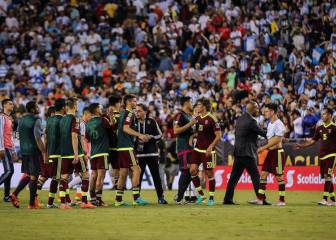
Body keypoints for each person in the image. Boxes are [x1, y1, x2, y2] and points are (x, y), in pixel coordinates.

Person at [223, 101, 267, 205]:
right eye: (256, 108)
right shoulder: (251, 121)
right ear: (252, 109)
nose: (258, 110)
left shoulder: (240, 119)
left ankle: (227, 199)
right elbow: (262, 133)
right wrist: (274, 133)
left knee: (233, 178)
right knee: (256, 176)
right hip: (248, 153)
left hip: (238, 153)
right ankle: (261, 199)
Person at [59, 98, 96, 209]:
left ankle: (63, 203)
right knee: (85, 175)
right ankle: (84, 202)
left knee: (64, 177)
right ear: (75, 106)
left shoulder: (62, 120)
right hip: (76, 154)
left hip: (64, 153)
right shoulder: (76, 119)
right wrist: (76, 153)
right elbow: (75, 136)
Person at [295, 108, 336, 206]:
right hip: (322, 156)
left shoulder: (334, 128)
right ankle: (333, 200)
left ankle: (324, 199)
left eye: (325, 114)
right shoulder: (319, 128)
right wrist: (302, 146)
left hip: (332, 155)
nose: (322, 116)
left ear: (330, 115)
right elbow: (314, 140)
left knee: (328, 176)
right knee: (326, 177)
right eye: (322, 114)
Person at [115, 94, 150, 207]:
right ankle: (136, 198)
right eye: (135, 101)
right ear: (129, 102)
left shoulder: (123, 114)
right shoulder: (129, 113)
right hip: (126, 146)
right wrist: (139, 135)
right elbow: (125, 128)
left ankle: (118, 199)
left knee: (123, 173)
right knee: (137, 170)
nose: (136, 103)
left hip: (120, 147)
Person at [249, 103, 286, 206]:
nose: (264, 113)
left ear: (272, 112)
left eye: (266, 111)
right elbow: (270, 139)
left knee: (279, 177)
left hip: (277, 153)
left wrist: (262, 148)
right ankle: (260, 199)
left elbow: (277, 140)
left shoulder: (279, 124)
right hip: (270, 152)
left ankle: (282, 200)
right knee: (263, 174)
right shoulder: (270, 124)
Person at [12, 101, 46, 209]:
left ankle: (14, 194)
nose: (39, 108)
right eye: (37, 106)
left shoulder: (21, 120)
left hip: (24, 150)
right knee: (34, 176)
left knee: (28, 174)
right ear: (33, 109)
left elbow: (17, 135)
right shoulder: (36, 120)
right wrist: (44, 151)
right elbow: (37, 137)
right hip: (33, 151)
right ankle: (32, 204)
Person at [189, 98, 221, 206]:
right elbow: (198, 132)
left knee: (209, 173)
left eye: (199, 105)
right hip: (197, 149)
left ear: (204, 106)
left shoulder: (212, 118)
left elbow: (218, 135)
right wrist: (192, 136)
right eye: (197, 105)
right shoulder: (197, 118)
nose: (197, 107)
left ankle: (211, 198)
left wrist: (211, 146)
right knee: (192, 170)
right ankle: (202, 196)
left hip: (208, 151)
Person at [134, 103, 167, 204]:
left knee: (156, 176)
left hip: (152, 153)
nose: (137, 113)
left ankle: (160, 198)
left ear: (145, 111)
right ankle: (137, 198)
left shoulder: (152, 121)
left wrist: (150, 137)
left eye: (139, 110)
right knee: (138, 177)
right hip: (139, 154)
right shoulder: (133, 122)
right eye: (136, 111)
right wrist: (138, 137)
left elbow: (160, 135)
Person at [86, 103, 112, 207]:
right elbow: (111, 130)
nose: (101, 109)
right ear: (97, 110)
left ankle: (92, 198)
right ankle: (99, 200)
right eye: (100, 108)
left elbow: (87, 138)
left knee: (93, 175)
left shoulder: (88, 123)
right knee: (101, 177)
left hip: (93, 153)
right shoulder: (103, 120)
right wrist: (110, 117)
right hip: (103, 152)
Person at [173, 96, 196, 204]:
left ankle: (179, 195)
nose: (193, 104)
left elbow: (191, 132)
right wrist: (190, 124)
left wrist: (192, 136)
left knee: (191, 171)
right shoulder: (179, 115)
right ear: (186, 103)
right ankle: (179, 198)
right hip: (183, 148)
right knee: (186, 171)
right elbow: (176, 131)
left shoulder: (189, 116)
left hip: (190, 147)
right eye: (191, 102)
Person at [44, 99, 66, 208]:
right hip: (60, 152)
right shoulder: (63, 120)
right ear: (63, 108)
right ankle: (62, 202)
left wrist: (46, 154)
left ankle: (51, 203)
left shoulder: (49, 120)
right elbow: (66, 137)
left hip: (52, 152)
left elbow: (46, 138)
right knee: (61, 177)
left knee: (56, 177)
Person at [35, 106, 56, 207]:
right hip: (48, 153)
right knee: (55, 177)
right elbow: (46, 139)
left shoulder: (49, 122)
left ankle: (35, 199)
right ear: (52, 113)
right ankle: (50, 202)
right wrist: (45, 154)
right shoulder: (50, 123)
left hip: (47, 153)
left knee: (44, 177)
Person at [0, 98, 16, 202]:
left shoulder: (9, 118)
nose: (12, 105)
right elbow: (0, 133)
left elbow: (10, 135)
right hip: (3, 147)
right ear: (4, 105)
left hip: (9, 147)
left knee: (9, 171)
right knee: (10, 171)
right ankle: (6, 196)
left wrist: (14, 150)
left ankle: (6, 196)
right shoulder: (1, 117)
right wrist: (1, 148)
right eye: (10, 104)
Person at [107, 95, 121, 190]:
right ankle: (117, 184)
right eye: (119, 103)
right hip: (118, 145)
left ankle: (116, 184)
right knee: (118, 167)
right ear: (117, 103)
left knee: (106, 168)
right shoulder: (120, 115)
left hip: (107, 146)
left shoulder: (105, 116)